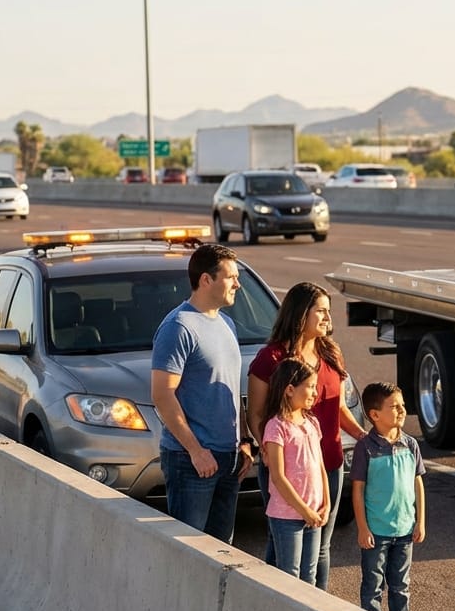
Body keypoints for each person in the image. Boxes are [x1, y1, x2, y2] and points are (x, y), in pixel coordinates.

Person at [247, 282, 368, 589]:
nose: (329, 317)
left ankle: (318, 608)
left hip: (329, 462)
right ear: (301, 313)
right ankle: (276, 604)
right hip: (286, 468)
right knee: (282, 544)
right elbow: (256, 414)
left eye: (329, 310)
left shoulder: (330, 353)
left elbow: (338, 406)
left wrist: (362, 436)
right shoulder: (271, 359)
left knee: (321, 545)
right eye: (322, 311)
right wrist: (269, 449)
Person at [150, 243, 255, 542]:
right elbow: (162, 395)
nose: (238, 284)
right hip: (192, 461)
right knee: (191, 552)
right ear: (206, 280)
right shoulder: (179, 327)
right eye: (231, 277)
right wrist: (196, 451)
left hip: (228, 458)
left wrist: (244, 440)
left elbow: (233, 388)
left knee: (222, 552)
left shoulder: (227, 323)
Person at [350, 382, 425, 611]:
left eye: (402, 405)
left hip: (404, 530)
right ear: (374, 415)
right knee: (373, 584)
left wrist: (419, 521)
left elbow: (418, 485)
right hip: (377, 531)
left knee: (401, 584)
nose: (402, 410)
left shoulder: (411, 444)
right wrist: (363, 528)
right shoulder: (366, 448)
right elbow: (358, 490)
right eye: (394, 406)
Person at [261, 359, 331, 584]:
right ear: (290, 389)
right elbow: (278, 477)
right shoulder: (276, 426)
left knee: (308, 575)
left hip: (314, 513)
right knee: (290, 576)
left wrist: (326, 504)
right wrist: (305, 511)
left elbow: (320, 466)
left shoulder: (311, 423)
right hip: (287, 515)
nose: (314, 392)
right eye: (310, 386)